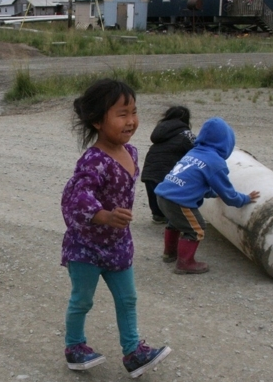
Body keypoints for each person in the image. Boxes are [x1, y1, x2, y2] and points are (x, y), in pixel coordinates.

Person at [61, 78, 172, 378]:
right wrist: (104, 215)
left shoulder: (133, 153)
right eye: (122, 114)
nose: (131, 121)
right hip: (85, 246)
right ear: (98, 121)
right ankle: (74, 347)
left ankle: (133, 352)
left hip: (118, 244)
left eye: (134, 112)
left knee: (128, 298)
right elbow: (76, 197)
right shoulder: (94, 160)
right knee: (82, 300)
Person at [155, 117, 260, 274]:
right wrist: (245, 199)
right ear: (227, 143)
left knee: (175, 223)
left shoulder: (194, 152)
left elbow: (194, 183)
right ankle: (185, 263)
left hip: (163, 195)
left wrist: (212, 193)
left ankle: (169, 254)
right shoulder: (215, 162)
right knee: (196, 229)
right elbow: (229, 196)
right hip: (179, 201)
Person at [141, 106, 196, 226]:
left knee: (153, 193)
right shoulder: (186, 133)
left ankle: (158, 214)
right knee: (168, 196)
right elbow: (196, 150)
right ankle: (171, 217)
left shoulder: (160, 130)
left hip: (150, 168)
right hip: (166, 171)